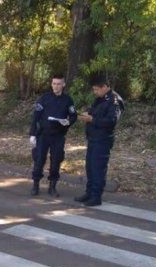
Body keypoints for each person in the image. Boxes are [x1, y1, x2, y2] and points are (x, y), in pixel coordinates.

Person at [75, 76, 125, 207]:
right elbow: (95, 112)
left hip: (103, 139)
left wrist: (91, 119)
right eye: (94, 89)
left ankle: (96, 197)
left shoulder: (114, 100)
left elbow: (111, 121)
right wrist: (86, 115)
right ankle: (89, 193)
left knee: (98, 168)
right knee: (90, 167)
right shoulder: (101, 98)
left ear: (105, 87)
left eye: (97, 89)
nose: (95, 92)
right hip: (93, 137)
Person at [29, 74, 77, 197]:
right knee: (39, 159)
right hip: (43, 135)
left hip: (58, 135)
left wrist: (68, 122)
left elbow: (73, 115)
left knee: (56, 161)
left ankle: (52, 187)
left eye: (58, 84)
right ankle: (35, 185)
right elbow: (36, 117)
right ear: (51, 84)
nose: (55, 86)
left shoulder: (67, 100)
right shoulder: (44, 98)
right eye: (54, 83)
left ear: (63, 84)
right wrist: (33, 134)